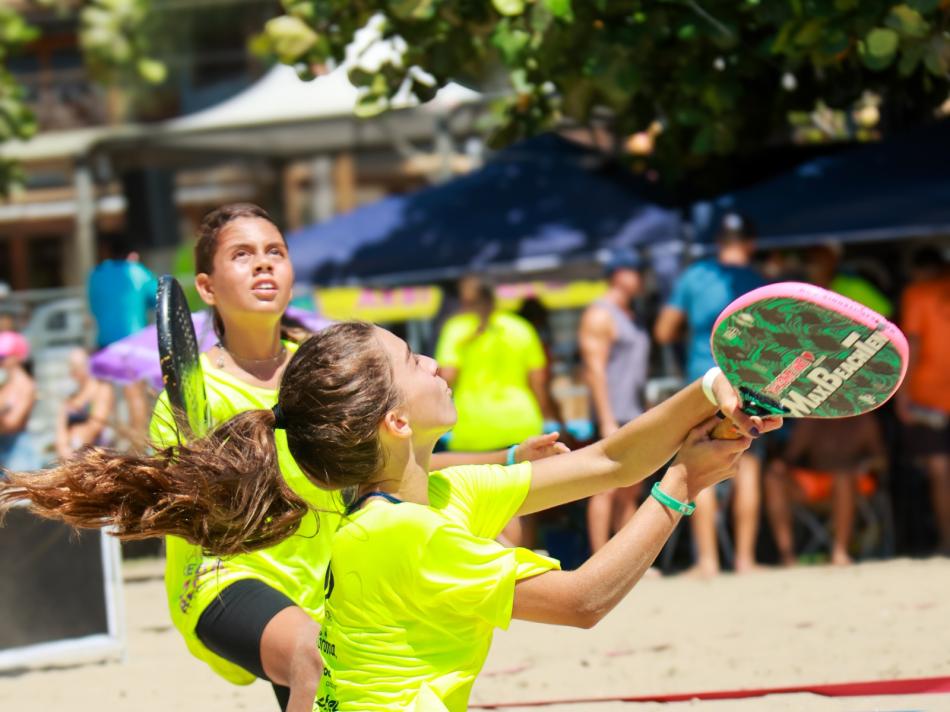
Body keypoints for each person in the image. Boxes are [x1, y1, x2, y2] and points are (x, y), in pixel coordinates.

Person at [0, 320, 781, 711]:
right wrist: (681, 487)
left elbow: (611, 462)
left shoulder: (439, 495)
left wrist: (711, 393)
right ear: (396, 423)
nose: (436, 363)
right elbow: (583, 601)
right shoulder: (404, 534)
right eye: (414, 362)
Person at [149, 203, 566, 712]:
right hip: (222, 576)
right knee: (311, 658)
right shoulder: (190, 398)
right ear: (207, 287)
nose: (263, 263)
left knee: (335, 694)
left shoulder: (326, 371)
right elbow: (175, 509)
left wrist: (506, 457)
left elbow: (391, 458)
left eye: (275, 251)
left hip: (325, 578)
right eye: (242, 254)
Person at [654, 213, 767, 575]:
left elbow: (663, 330)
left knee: (700, 464)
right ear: (750, 244)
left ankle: (707, 561)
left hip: (705, 381)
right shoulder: (760, 283)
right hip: (750, 382)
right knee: (748, 466)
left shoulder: (695, 276)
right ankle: (746, 559)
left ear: (719, 242)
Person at [435, 279, 561, 545]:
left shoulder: (457, 328)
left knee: (481, 503)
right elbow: (539, 382)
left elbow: (447, 377)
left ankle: (492, 560)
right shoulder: (520, 327)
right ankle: (526, 558)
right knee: (526, 502)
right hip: (520, 421)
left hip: (474, 426)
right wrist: (552, 417)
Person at [578, 249, 650, 552]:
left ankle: (626, 558)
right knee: (605, 487)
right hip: (614, 414)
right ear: (619, 274)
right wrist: (606, 418)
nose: (642, 278)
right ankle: (599, 557)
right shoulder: (600, 314)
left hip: (634, 413)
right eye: (637, 272)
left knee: (631, 487)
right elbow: (593, 369)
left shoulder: (632, 316)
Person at [764, 414, 886, 566]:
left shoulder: (864, 422)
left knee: (843, 477)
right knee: (773, 479)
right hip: (817, 483)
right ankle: (787, 555)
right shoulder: (810, 421)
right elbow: (790, 457)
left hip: (854, 484)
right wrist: (779, 466)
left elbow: (880, 459)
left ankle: (840, 552)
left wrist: (862, 467)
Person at [896, 246, 950, 555]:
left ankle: (947, 540)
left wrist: (902, 394)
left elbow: (912, 342)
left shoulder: (917, 294)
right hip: (934, 395)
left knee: (940, 470)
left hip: (928, 396)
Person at [87, 235, 158, 449]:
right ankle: (139, 447)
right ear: (132, 254)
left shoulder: (97, 273)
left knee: (104, 397)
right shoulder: (137, 271)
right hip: (132, 343)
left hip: (104, 343)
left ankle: (97, 447)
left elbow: (93, 306)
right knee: (134, 394)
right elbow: (158, 299)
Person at [55, 348, 114, 460]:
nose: (73, 370)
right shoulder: (71, 397)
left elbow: (96, 426)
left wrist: (75, 444)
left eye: (77, 366)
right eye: (71, 366)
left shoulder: (102, 389)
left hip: (95, 456)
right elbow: (61, 429)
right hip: (73, 455)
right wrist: (64, 449)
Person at [806, 242, 893, 317]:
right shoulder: (805, 291)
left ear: (833, 260)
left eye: (820, 258)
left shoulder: (854, 286)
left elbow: (886, 315)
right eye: (810, 259)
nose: (813, 265)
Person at [0, 331, 41, 472]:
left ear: (16, 357)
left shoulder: (26, 385)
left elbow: (13, 423)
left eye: (2, 356)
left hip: (18, 455)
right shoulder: (5, 384)